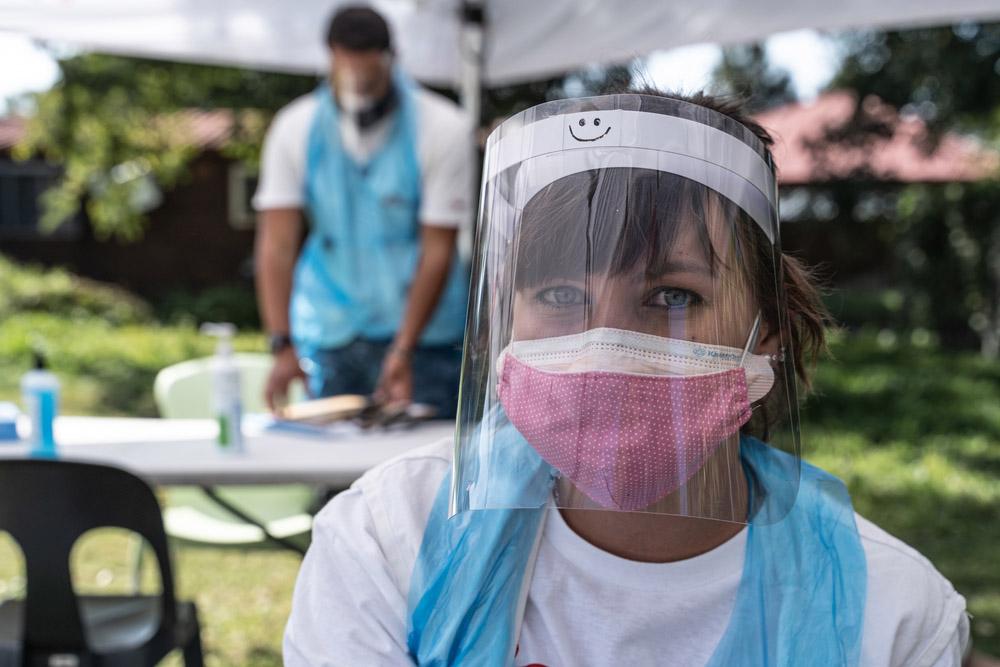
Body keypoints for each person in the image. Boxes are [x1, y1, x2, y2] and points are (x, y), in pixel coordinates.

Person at [283, 90, 970, 666]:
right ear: (502, 324)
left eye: (672, 295)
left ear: (768, 332)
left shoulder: (892, 615)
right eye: (559, 296)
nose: (605, 344)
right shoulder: (386, 540)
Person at [253, 6, 473, 417]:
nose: (358, 83)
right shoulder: (294, 127)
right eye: (347, 68)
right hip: (331, 331)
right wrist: (282, 343)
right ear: (332, 57)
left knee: (422, 466)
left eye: (369, 73)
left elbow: (437, 250)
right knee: (331, 473)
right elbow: (277, 245)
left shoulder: (443, 127)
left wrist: (403, 348)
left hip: (423, 340)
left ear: (391, 58)